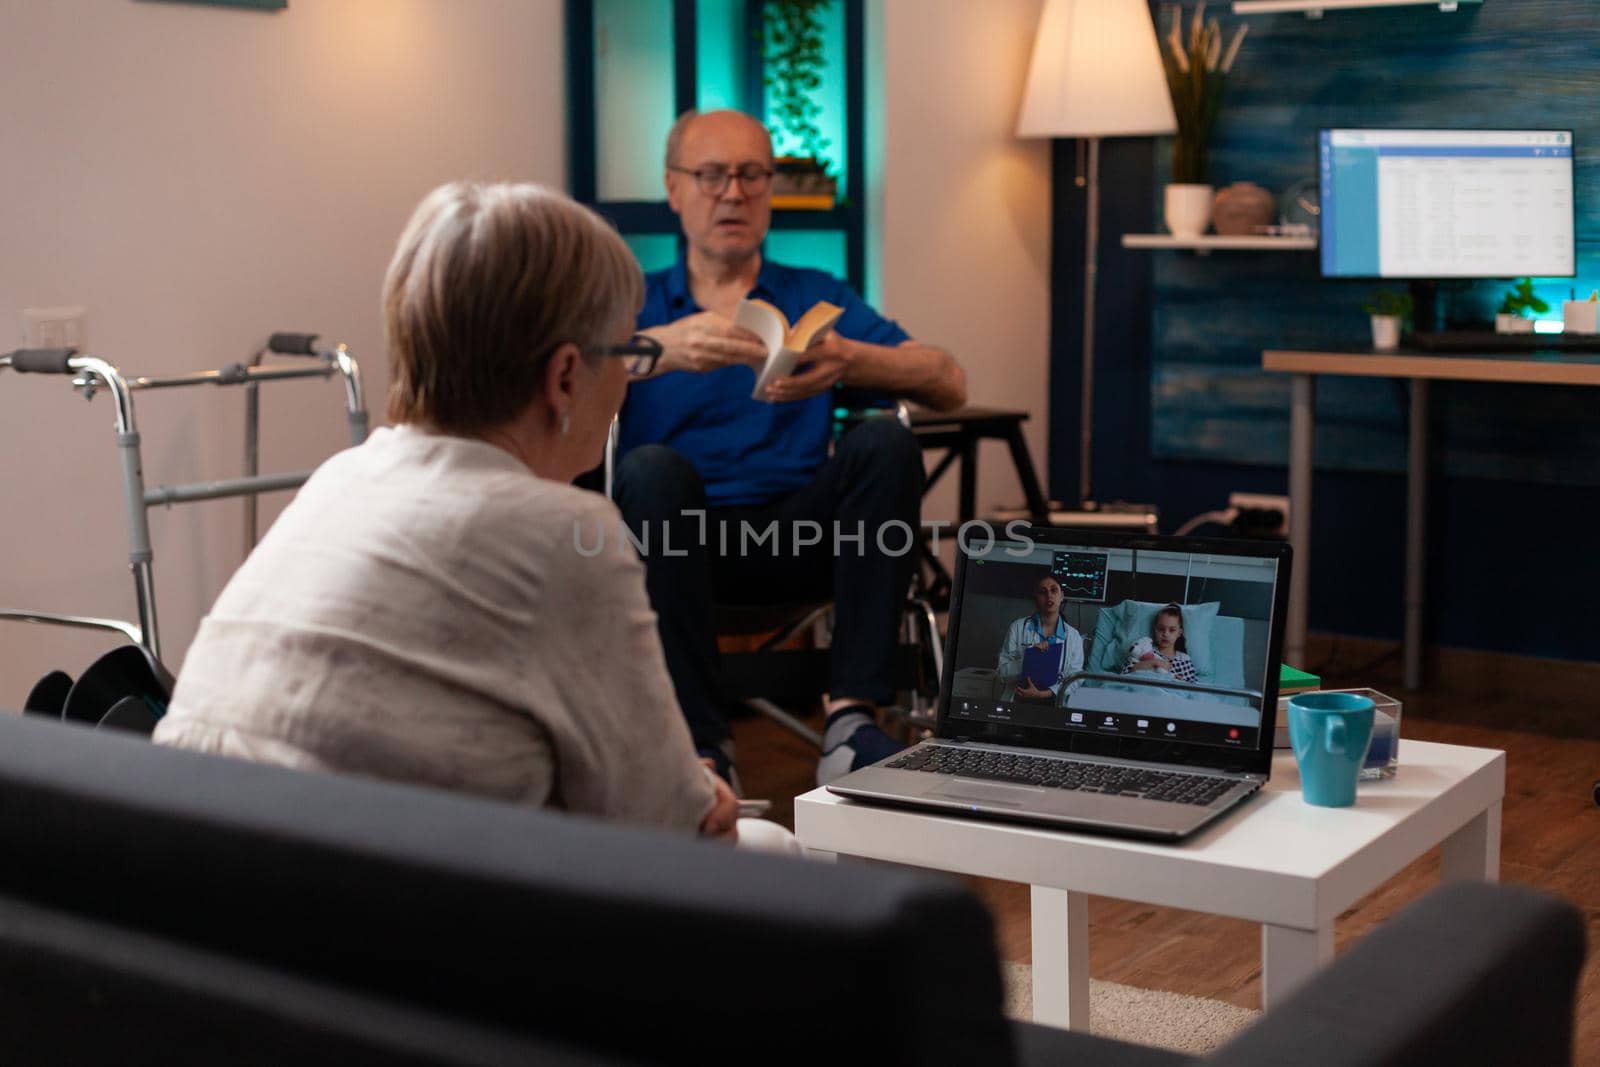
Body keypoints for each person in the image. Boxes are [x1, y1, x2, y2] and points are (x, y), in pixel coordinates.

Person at [154, 180, 773, 846]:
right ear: (565, 377)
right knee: (780, 850)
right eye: (629, 353)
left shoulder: (340, 478)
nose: (627, 380)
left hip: (201, 883)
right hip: (356, 912)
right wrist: (700, 795)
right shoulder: (562, 532)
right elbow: (668, 830)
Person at [612, 109, 967, 788]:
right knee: (651, 470)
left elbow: (949, 380)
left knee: (885, 441)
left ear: (770, 189)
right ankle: (704, 752)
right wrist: (657, 352)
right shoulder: (635, 302)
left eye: (751, 174)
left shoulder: (815, 297)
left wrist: (853, 358)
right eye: (711, 175)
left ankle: (850, 724)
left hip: (803, 536)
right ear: (674, 189)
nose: (733, 193)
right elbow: (558, 387)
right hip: (676, 542)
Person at [996, 574, 1085, 704]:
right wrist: (1029, 659)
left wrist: (1044, 694)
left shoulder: (1073, 636)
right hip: (1019, 700)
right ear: (1036, 598)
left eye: (1054, 590)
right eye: (1042, 592)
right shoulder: (1018, 628)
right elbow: (1002, 674)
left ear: (1061, 596)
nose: (1049, 596)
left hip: (1053, 702)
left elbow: (1075, 679)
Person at [1121, 603, 1198, 682]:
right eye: (1161, 629)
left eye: (1172, 630)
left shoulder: (1184, 660)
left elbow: (1192, 688)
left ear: (1179, 633)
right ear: (1155, 630)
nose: (1165, 634)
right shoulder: (1145, 651)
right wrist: (1154, 662)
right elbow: (1125, 675)